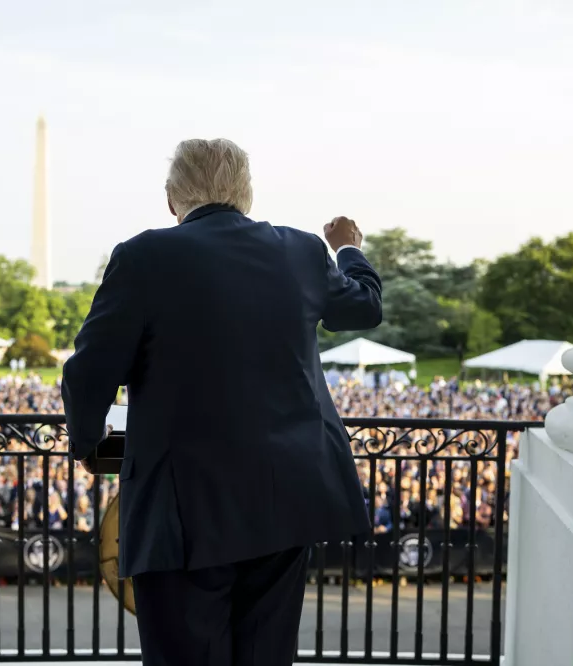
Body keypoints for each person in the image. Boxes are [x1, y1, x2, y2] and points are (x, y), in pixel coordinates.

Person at [61, 138, 383, 665]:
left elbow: (89, 370)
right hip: (287, 496)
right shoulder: (302, 251)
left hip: (183, 506)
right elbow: (364, 306)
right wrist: (347, 247)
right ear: (247, 196)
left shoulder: (142, 256)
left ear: (172, 200)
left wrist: (88, 442)